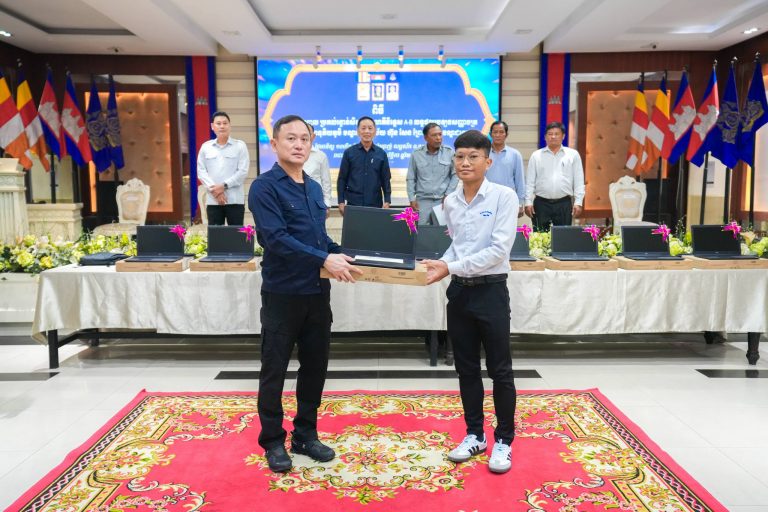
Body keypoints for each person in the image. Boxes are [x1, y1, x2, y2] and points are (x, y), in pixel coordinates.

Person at [248, 114, 362, 473]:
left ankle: (305, 435)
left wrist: (349, 254)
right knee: (275, 370)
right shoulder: (264, 187)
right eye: (291, 138)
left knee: (315, 368)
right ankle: (272, 441)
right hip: (282, 295)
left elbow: (319, 238)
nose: (299, 145)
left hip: (317, 293)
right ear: (274, 144)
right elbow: (276, 239)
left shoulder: (313, 188)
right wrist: (325, 258)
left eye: (305, 139)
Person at [422, 129, 518, 474]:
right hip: (460, 292)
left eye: (473, 157)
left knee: (500, 370)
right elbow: (457, 247)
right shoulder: (450, 201)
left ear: (487, 162)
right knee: (465, 368)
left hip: (491, 292)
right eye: (460, 156)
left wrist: (449, 266)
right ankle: (475, 435)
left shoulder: (504, 197)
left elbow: (498, 251)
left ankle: (504, 440)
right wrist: (440, 264)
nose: (465, 162)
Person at [524, 121, 585, 231]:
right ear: (545, 137)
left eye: (557, 134)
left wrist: (578, 202)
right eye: (550, 134)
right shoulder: (536, 156)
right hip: (541, 204)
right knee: (540, 237)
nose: (553, 136)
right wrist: (528, 202)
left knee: (563, 237)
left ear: (563, 136)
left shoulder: (572, 155)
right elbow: (530, 182)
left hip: (564, 203)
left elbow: (579, 180)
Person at [197, 111, 250, 225]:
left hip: (235, 200)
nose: (222, 126)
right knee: (215, 234)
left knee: (235, 233)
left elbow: (243, 172)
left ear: (230, 126)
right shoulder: (206, 147)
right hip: (213, 201)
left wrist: (224, 186)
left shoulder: (240, 146)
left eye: (225, 123)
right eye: (218, 123)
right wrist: (216, 191)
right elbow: (201, 172)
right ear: (212, 126)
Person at [337, 116, 391, 215]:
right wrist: (341, 201)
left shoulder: (381, 154)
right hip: (353, 204)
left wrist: (387, 200)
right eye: (363, 128)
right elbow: (342, 179)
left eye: (370, 128)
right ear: (358, 131)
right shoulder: (349, 153)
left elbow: (386, 179)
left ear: (375, 131)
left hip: (375, 204)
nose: (367, 131)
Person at [406, 123, 457, 225]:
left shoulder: (449, 152)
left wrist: (448, 195)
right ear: (425, 138)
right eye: (434, 135)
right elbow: (411, 178)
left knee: (441, 232)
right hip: (422, 201)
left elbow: (455, 175)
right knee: (421, 232)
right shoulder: (416, 154)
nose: (438, 138)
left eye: (440, 134)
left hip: (442, 201)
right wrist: (411, 198)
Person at [486, 120, 525, 217]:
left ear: (506, 134)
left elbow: (520, 180)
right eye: (495, 132)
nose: (498, 135)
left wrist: (520, 202)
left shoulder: (515, 154)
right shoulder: (484, 154)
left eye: (501, 132)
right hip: (487, 198)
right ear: (490, 134)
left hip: (508, 199)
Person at [304, 124, 332, 213]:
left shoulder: (321, 155)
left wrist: (327, 204)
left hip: (316, 201)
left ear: (313, 136)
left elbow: (326, 182)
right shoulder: (292, 154)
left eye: (308, 132)